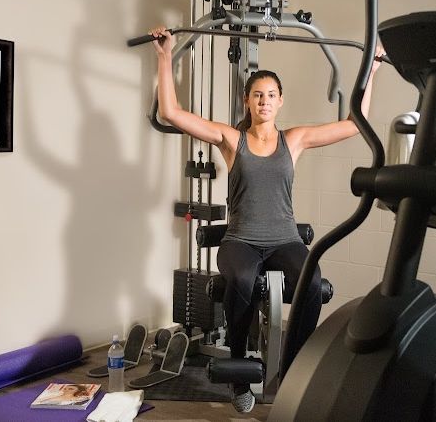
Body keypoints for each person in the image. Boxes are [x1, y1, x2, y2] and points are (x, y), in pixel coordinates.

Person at [149, 26, 383, 413]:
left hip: (284, 240)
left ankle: (295, 367)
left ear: (280, 101)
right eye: (258, 95)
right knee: (240, 279)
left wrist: (370, 72)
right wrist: (163, 55)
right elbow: (171, 113)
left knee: (313, 283)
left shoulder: (295, 140)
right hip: (240, 240)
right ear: (248, 101)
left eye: (271, 95)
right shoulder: (230, 139)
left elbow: (355, 124)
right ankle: (239, 371)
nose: (264, 101)